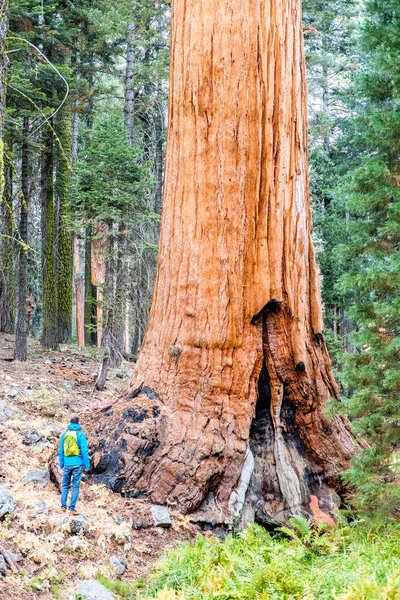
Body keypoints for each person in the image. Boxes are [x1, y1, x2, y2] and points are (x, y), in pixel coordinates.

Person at [58, 416, 90, 514]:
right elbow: (84, 451)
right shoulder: (81, 435)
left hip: (67, 464)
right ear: (78, 423)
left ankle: (63, 507)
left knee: (65, 485)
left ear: (70, 423)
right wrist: (87, 465)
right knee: (75, 486)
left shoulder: (64, 435)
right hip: (77, 464)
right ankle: (71, 509)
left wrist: (62, 463)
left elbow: (60, 451)